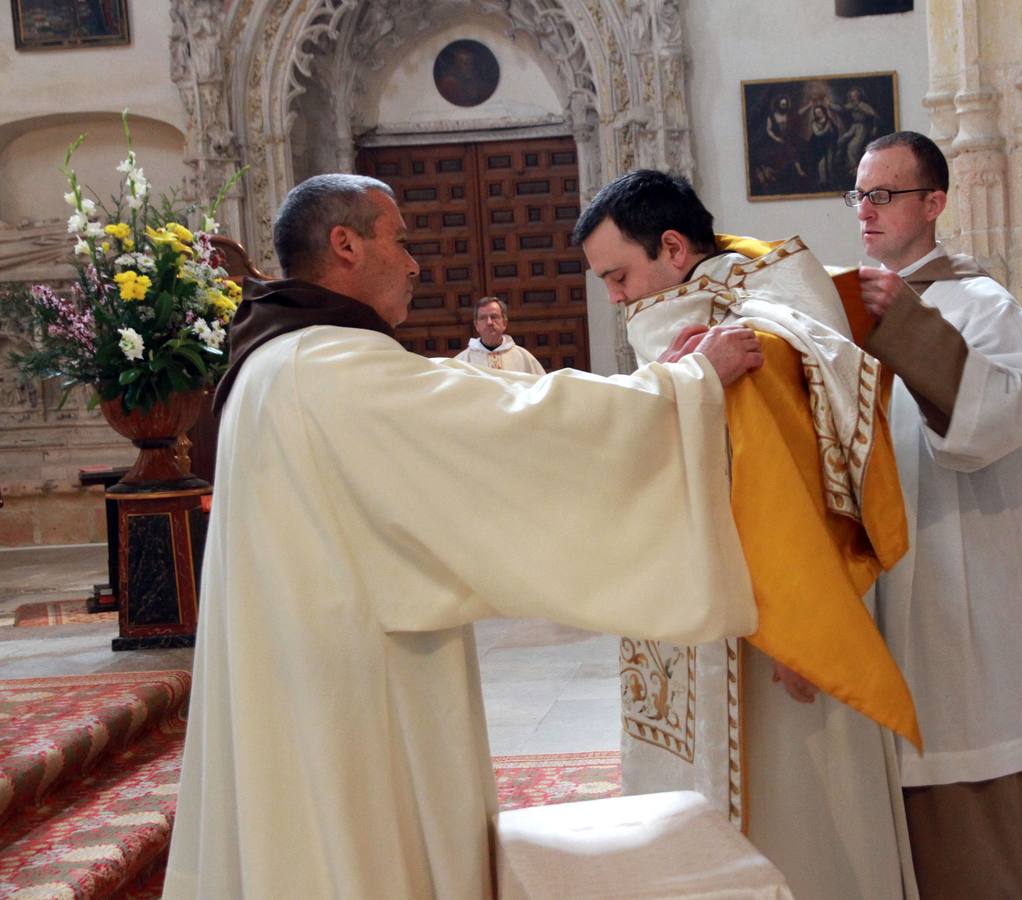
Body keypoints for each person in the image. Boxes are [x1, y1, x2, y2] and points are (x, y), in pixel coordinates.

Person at [162, 173, 765, 899]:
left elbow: (492, 401)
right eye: (400, 239)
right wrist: (686, 386)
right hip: (349, 687)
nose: (416, 263)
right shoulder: (322, 367)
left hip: (305, 670)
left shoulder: (280, 360)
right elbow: (509, 426)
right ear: (345, 244)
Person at [574, 168, 919, 899]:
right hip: (704, 607)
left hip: (771, 621)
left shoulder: (752, 327)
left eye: (617, 275)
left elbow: (783, 474)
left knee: (797, 818)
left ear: (672, 247)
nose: (612, 297)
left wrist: (806, 619)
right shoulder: (711, 306)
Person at [844, 131, 1022, 898]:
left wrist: (909, 328)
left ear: (934, 203)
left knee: (972, 789)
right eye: (858, 194)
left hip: (967, 589)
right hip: (887, 580)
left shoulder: (986, 306)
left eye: (884, 194)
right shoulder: (844, 308)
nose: (866, 210)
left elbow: (997, 420)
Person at [454, 296, 545, 374]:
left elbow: (542, 387)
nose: (489, 322)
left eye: (494, 317)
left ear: (504, 323)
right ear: (476, 325)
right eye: (483, 318)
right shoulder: (462, 361)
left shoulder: (523, 358)